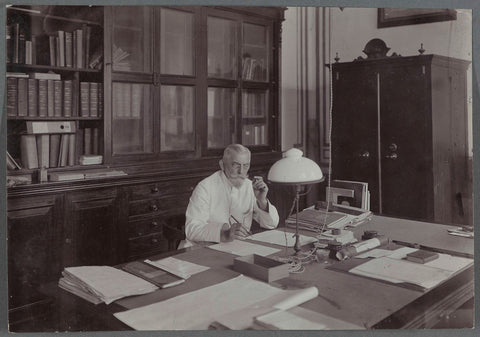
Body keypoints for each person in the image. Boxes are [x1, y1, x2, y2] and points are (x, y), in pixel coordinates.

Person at [183, 144, 279, 246]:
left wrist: (262, 201)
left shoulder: (249, 186)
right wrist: (224, 234)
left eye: (245, 166)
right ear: (222, 164)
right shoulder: (205, 187)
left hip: (238, 248)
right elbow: (192, 229)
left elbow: (272, 224)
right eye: (235, 165)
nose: (241, 171)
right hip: (204, 249)